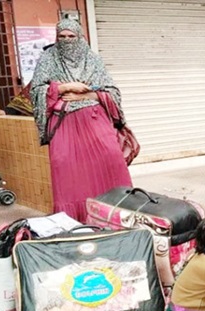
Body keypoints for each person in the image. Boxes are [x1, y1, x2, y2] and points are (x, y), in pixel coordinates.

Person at [30, 19, 132, 221]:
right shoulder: (48, 59)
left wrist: (87, 96)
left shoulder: (93, 59)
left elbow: (112, 91)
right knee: (66, 171)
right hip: (64, 124)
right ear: (56, 38)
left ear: (80, 37)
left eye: (71, 36)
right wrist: (64, 88)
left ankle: (117, 215)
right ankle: (74, 222)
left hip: (95, 123)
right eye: (62, 37)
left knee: (112, 160)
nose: (67, 41)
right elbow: (36, 91)